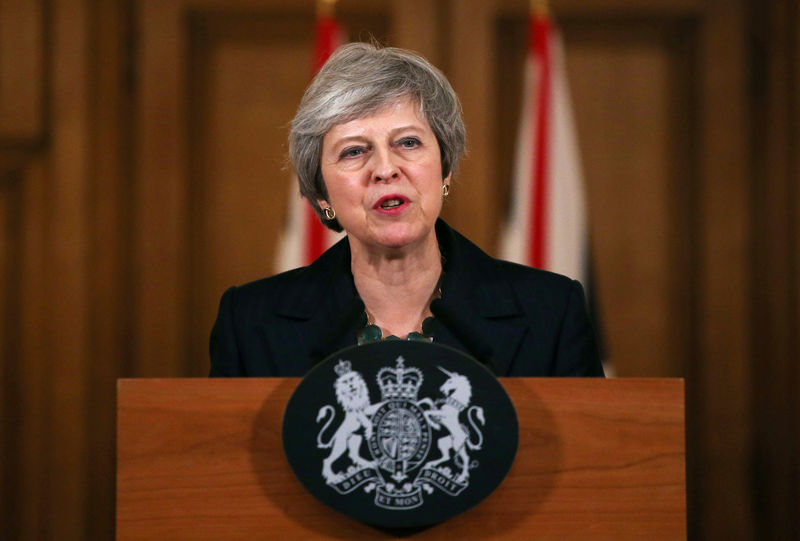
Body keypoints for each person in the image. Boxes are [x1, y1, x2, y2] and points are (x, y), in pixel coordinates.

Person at [210, 42, 603, 378]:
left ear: (445, 169)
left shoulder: (551, 312)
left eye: (409, 143)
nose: (384, 169)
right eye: (353, 151)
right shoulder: (250, 324)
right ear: (322, 193)